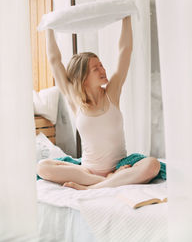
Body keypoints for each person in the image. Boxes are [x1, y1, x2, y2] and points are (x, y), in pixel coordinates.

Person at [37, 16, 162, 190]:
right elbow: (54, 61)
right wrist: (48, 27)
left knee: (152, 165)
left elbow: (125, 50)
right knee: (42, 167)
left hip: (120, 166)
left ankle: (91, 188)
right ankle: (106, 182)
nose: (103, 70)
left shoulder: (112, 93)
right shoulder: (75, 99)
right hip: (87, 171)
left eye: (101, 65)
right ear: (83, 78)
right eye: (96, 69)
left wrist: (126, 17)